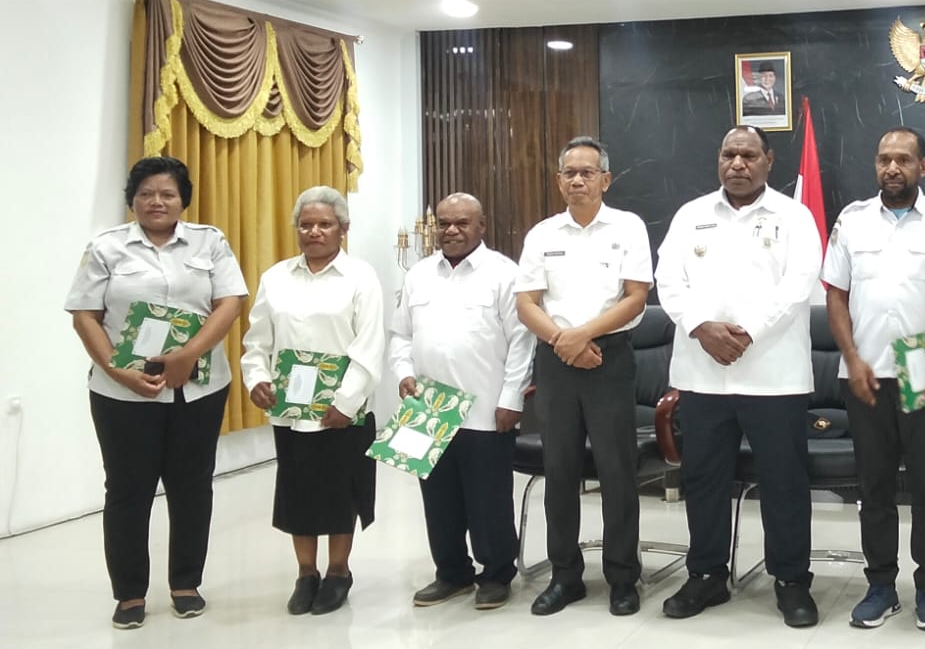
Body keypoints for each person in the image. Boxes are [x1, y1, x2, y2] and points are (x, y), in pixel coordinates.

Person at [65, 156, 248, 629]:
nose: (157, 202)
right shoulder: (106, 247)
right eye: (146, 193)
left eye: (167, 193)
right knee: (128, 490)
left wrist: (189, 354)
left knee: (192, 487)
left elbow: (229, 302)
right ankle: (129, 593)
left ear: (183, 200)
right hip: (122, 393)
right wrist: (118, 370)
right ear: (132, 200)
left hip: (198, 387)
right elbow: (85, 314)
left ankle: (186, 584)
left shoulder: (210, 242)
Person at [654, 125, 823, 627]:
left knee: (783, 483)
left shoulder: (793, 216)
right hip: (702, 373)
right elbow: (668, 279)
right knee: (704, 479)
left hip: (774, 375)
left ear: (768, 161)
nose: (737, 164)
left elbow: (799, 285)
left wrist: (746, 332)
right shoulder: (691, 215)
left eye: (748, 155)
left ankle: (791, 581)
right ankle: (707, 575)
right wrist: (700, 327)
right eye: (729, 154)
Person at [822, 127, 925, 631]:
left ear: (923, 166)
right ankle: (880, 585)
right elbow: (835, 295)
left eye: (903, 159)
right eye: (884, 159)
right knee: (874, 488)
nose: (892, 168)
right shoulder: (852, 221)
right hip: (865, 375)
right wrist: (852, 358)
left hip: (924, 375)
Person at [515, 137, 654, 617]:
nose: (577, 180)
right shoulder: (542, 234)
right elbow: (526, 303)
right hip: (557, 360)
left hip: (608, 358)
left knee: (617, 472)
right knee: (559, 471)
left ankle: (622, 576)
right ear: (559, 181)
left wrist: (583, 336)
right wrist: (564, 341)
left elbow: (636, 297)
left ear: (605, 179)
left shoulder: (628, 227)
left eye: (587, 172)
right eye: (569, 173)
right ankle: (565, 576)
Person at [241, 186, 385, 616]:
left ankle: (338, 571)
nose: (314, 231)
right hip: (290, 410)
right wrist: (257, 379)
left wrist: (345, 402)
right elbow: (257, 341)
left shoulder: (361, 277)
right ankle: (306, 573)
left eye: (325, 224)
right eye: (306, 225)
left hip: (343, 412)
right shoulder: (276, 277)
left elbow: (369, 345)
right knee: (297, 493)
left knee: (342, 493)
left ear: (343, 229)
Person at [392, 193, 533, 611]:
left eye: (461, 223)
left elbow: (522, 342)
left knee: (488, 499)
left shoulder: (505, 274)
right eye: (444, 223)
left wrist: (512, 398)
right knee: (438, 499)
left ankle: (496, 574)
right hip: (427, 406)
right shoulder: (418, 274)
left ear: (481, 226)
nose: (451, 230)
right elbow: (400, 334)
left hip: (486, 406)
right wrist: (403, 373)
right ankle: (451, 573)